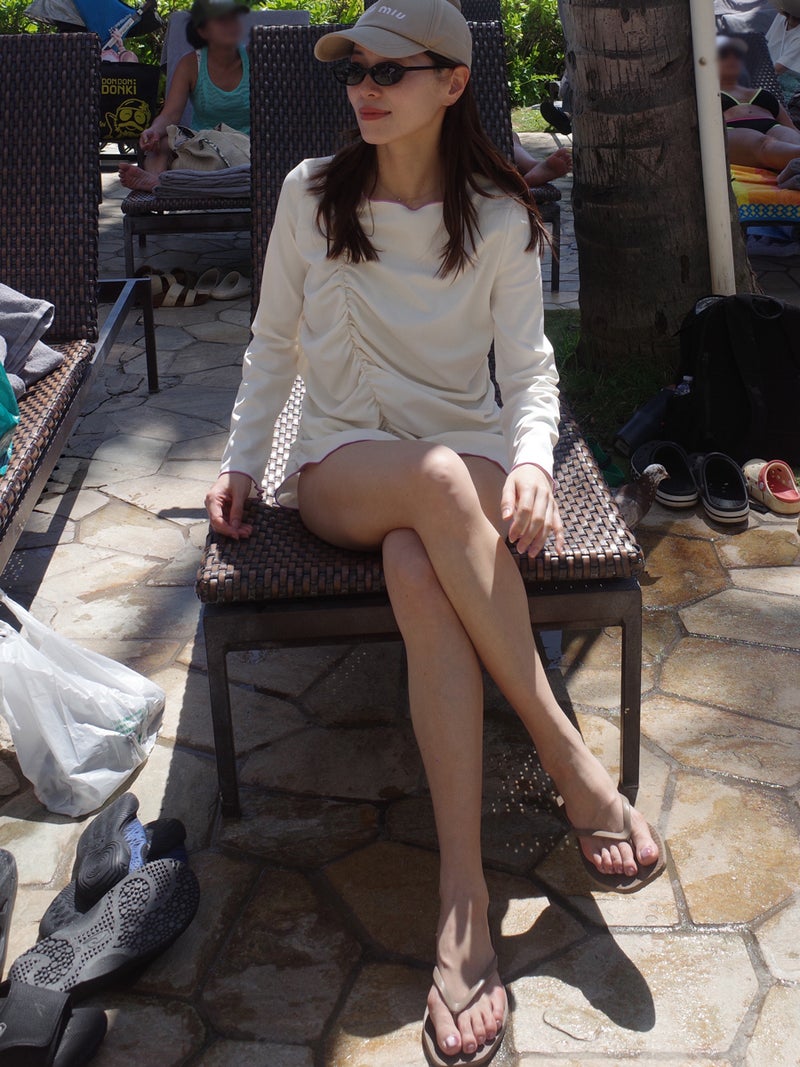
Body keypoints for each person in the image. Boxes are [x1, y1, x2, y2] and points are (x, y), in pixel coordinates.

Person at [205, 2, 662, 1064]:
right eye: (353, 70)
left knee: (422, 556)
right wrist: (241, 459)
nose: (363, 88)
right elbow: (272, 344)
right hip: (346, 465)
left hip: (462, 465)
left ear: (451, 82)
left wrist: (535, 463)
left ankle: (461, 896)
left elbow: (530, 370)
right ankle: (567, 756)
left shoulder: (498, 215)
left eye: (389, 70)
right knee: (435, 485)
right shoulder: (311, 196)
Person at [119, 0, 250, 192]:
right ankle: (156, 183)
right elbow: (170, 114)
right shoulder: (190, 64)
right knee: (160, 143)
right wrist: (154, 130)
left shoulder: (255, 59)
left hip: (245, 145)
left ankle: (175, 185)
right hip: (202, 146)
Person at [718, 34, 800, 169]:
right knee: (764, 145)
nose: (732, 59)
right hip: (732, 129)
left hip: (773, 126)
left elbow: (791, 127)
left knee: (793, 142)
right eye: (724, 55)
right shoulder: (706, 95)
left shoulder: (763, 92)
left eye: (737, 55)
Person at [766, 2, 800, 99]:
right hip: (769, 71)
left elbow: (778, 69)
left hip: (793, 82)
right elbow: (766, 42)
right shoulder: (780, 17)